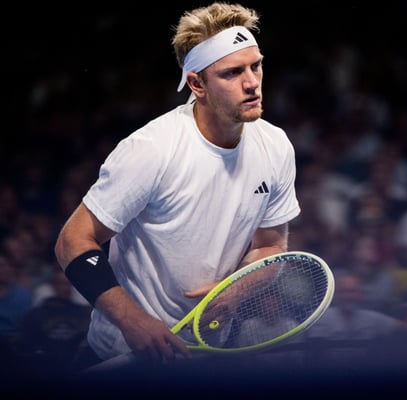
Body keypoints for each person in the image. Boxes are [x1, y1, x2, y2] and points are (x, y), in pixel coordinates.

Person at [54, 2, 300, 370]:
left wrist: (235, 290)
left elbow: (270, 246)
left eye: (256, 65)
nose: (252, 82)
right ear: (197, 84)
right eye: (232, 73)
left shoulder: (276, 146)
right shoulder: (151, 150)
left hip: (207, 356)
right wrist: (133, 322)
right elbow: (72, 241)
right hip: (123, 355)